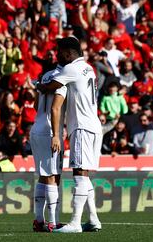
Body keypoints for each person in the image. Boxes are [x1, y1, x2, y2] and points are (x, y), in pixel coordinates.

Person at [37, 37, 102, 233]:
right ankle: (92, 219)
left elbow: (50, 87)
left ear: (67, 53)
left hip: (81, 126)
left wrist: (39, 85)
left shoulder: (70, 69)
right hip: (93, 124)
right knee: (85, 175)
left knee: (79, 174)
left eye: (59, 52)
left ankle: (74, 223)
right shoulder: (88, 68)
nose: (58, 55)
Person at [30, 64, 67, 232]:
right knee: (52, 176)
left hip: (36, 128)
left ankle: (39, 220)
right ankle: (53, 222)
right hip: (49, 132)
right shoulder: (63, 78)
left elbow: (36, 104)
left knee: (43, 176)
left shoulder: (45, 76)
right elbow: (55, 108)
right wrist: (56, 134)